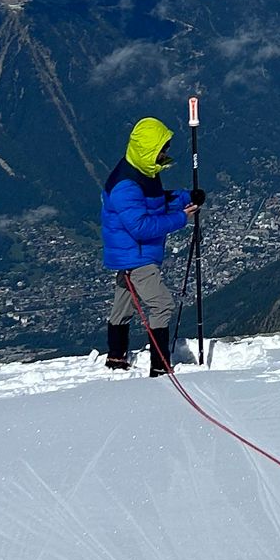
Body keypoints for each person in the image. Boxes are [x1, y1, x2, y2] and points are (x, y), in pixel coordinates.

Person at [101, 116, 200, 375]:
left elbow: (155, 202)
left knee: (123, 304)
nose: (165, 153)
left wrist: (187, 197)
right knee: (162, 304)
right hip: (137, 255)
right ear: (149, 150)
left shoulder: (140, 172)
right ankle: (160, 365)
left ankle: (116, 356)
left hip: (129, 254)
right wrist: (182, 218)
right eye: (162, 149)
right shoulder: (126, 186)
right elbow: (141, 227)